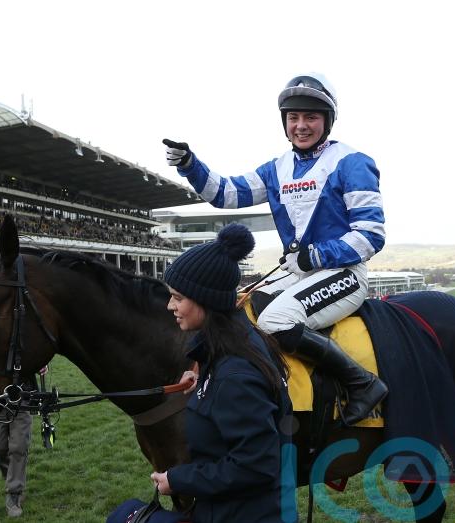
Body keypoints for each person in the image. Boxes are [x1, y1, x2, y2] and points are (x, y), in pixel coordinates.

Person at [163, 73, 387, 426]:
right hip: (298, 273)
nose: (301, 126)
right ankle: (208, 378)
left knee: (275, 320)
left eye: (311, 117)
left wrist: (314, 256)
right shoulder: (277, 169)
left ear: (327, 121)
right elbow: (226, 193)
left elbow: (371, 235)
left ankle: (363, 383)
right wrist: (191, 165)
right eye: (293, 118)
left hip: (344, 273)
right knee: (233, 307)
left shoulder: (352, 162)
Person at [150, 223, 293, 523]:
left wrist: (178, 480)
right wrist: (203, 378)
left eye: (178, 297)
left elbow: (256, 465)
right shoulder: (228, 349)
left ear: (206, 300)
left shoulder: (235, 376)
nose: (169, 305)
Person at [0, 369, 44, 518]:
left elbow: (39, 349)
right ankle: (12, 477)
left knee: (19, 447)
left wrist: (42, 363)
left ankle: (14, 493)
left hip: (22, 398)